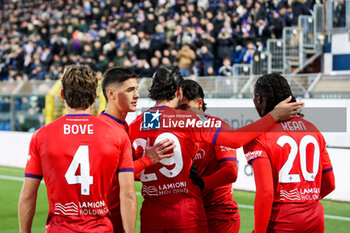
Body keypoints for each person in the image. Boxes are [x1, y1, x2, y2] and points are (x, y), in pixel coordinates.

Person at [128, 67, 303, 233]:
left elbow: (126, 172)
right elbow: (235, 140)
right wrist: (274, 116)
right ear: (179, 92)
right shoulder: (188, 120)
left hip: (151, 215)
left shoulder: (136, 124)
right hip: (185, 214)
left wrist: (147, 161)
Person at [18, 65, 137, 233]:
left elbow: (28, 194)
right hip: (101, 228)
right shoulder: (117, 134)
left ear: (62, 95)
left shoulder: (42, 135)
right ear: (95, 96)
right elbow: (129, 195)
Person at [243, 73, 335, 233]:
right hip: (315, 220)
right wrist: (304, 201)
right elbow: (330, 184)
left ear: (258, 98)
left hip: (282, 222)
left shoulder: (258, 136)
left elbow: (265, 194)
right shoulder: (313, 130)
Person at [98, 67, 175, 232]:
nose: (137, 95)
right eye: (130, 90)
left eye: (136, 89)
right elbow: (112, 175)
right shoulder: (104, 129)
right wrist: (148, 160)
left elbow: (128, 172)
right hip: (106, 221)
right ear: (111, 94)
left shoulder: (123, 126)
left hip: (117, 218)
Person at [179, 79, 240, 233]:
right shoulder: (178, 133)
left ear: (199, 103)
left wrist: (201, 183)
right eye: (178, 109)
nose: (181, 114)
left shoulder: (217, 128)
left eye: (185, 107)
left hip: (219, 214)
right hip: (193, 213)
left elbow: (230, 172)